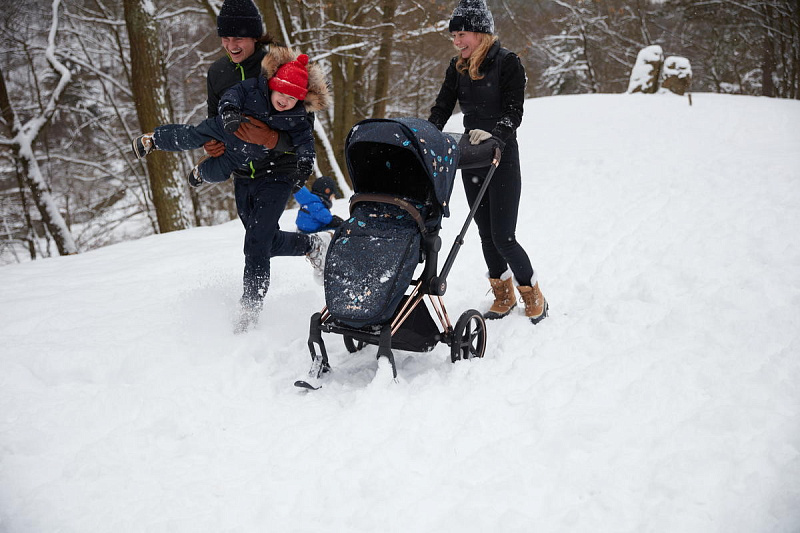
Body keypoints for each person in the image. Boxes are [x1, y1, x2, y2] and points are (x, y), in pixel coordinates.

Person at [158, 0, 330, 333]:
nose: (231, 44)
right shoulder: (217, 73)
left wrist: (271, 138)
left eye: (238, 37)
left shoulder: (279, 66)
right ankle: (312, 245)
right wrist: (211, 144)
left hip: (278, 170)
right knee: (261, 240)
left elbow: (302, 129)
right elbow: (215, 120)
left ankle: (249, 314)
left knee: (256, 243)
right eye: (225, 37)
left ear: (255, 36)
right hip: (243, 172)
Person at [427, 0, 548, 324]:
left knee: (503, 235)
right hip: (472, 156)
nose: (456, 42)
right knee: (484, 231)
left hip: (501, 155)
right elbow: (442, 107)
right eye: (454, 36)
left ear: (480, 33)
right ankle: (503, 295)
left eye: (461, 34)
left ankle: (532, 293)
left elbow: (514, 111)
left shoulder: (507, 63)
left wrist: (496, 135)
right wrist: (426, 133)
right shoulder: (457, 67)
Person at [131, 51, 328, 189]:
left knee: (220, 172)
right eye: (282, 93)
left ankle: (201, 172)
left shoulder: (296, 117)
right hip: (225, 127)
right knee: (191, 136)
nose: (285, 100)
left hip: (246, 151)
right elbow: (233, 95)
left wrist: (305, 163)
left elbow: (305, 141)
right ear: (272, 87)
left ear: (299, 100)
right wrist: (229, 111)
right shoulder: (255, 89)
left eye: (292, 98)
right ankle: (154, 140)